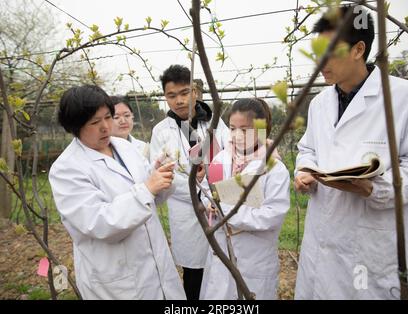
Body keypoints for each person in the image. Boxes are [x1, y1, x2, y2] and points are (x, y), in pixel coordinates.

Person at [294, 5, 408, 299]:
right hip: (322, 240)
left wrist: (374, 189)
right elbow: (307, 149)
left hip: (373, 245)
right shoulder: (319, 104)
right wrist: (304, 170)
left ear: (358, 49)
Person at [48, 85, 186, 300]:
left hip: (156, 267)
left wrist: (159, 174)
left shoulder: (125, 148)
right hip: (118, 280)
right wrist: (148, 188)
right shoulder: (67, 169)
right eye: (95, 122)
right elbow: (99, 222)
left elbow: (149, 196)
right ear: (75, 127)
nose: (105, 127)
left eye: (107, 117)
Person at [150, 65, 229, 300]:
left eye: (184, 93)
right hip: (186, 210)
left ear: (194, 92)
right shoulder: (161, 132)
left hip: (217, 205)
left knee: (219, 269)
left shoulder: (214, 122)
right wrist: (199, 194)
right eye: (171, 96)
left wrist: (212, 194)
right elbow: (164, 176)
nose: (179, 101)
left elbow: (229, 156)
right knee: (193, 274)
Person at [199, 98, 290, 300]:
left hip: (254, 255)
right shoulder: (220, 159)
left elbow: (273, 215)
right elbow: (207, 189)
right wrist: (209, 204)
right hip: (221, 250)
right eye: (232, 128)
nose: (237, 136)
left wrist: (227, 212)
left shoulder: (274, 168)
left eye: (245, 129)